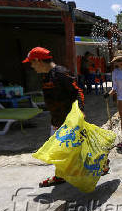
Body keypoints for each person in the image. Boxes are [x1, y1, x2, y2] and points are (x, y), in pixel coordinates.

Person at [22, 47, 88, 187]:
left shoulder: (61, 73)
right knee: (59, 151)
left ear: (38, 61)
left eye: (32, 63)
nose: (32, 66)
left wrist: (80, 111)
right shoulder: (47, 75)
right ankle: (60, 176)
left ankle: (101, 164)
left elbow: (78, 91)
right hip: (56, 120)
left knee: (80, 148)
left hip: (70, 120)